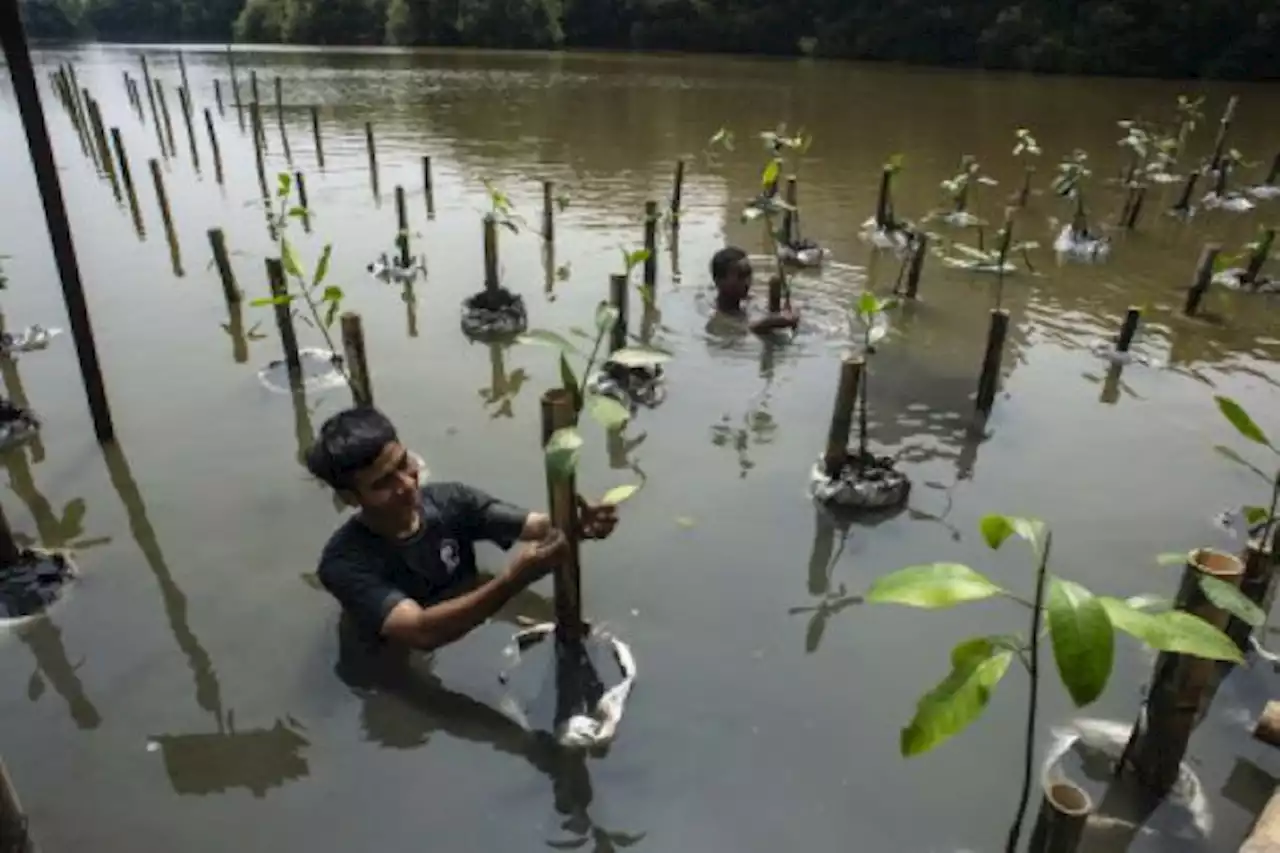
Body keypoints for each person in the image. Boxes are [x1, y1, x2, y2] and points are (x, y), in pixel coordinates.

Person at [306, 407, 618, 654]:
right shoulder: (343, 563)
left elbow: (534, 526)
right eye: (383, 483)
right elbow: (421, 632)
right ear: (349, 498)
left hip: (466, 618)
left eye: (404, 463)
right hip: (395, 655)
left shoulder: (450, 501)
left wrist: (576, 524)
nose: (407, 484)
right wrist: (513, 579)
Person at [708, 246, 800, 336]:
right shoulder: (717, 317)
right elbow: (744, 329)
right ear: (719, 281)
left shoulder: (749, 300)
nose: (747, 281)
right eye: (741, 276)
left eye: (748, 274)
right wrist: (768, 323)